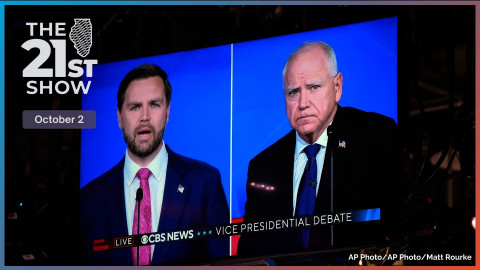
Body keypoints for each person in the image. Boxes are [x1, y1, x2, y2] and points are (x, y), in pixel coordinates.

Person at [237, 42, 401, 257]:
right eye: (293, 92)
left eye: (314, 87)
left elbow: (397, 228)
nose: (303, 103)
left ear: (337, 86)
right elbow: (249, 253)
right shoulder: (263, 165)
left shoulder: (374, 136)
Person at [79, 64, 229, 265]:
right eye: (135, 107)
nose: (144, 117)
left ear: (167, 113)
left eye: (155, 105)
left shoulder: (204, 183)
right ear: (119, 117)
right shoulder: (90, 198)